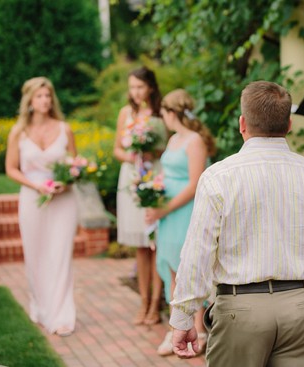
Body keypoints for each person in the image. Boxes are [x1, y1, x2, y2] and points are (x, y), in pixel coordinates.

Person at [169, 81, 304, 366]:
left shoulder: (219, 177)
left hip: (240, 310)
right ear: (289, 124)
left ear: (242, 124)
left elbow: (198, 253)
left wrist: (182, 315)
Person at [5, 77, 78, 337]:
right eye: (39, 96)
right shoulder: (19, 132)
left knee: (60, 255)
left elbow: (74, 165)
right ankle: (39, 305)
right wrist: (36, 186)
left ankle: (62, 315)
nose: (45, 100)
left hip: (63, 201)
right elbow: (11, 168)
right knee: (35, 254)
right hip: (32, 198)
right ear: (30, 101)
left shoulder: (64, 128)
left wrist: (65, 181)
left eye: (48, 96)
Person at [146, 89, 215, 356]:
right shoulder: (175, 139)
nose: (162, 118)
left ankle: (198, 329)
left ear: (171, 113)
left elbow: (195, 182)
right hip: (167, 214)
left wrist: (164, 210)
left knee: (190, 269)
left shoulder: (194, 141)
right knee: (173, 269)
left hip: (185, 212)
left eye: (163, 112)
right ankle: (178, 325)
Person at [113, 66, 168, 326]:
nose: (135, 92)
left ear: (151, 88)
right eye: (132, 87)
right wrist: (134, 156)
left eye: (140, 87)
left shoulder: (160, 113)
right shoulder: (125, 113)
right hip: (131, 178)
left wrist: (150, 154)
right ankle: (143, 301)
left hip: (154, 177)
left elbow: (167, 148)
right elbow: (117, 150)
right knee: (141, 247)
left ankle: (157, 303)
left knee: (156, 243)